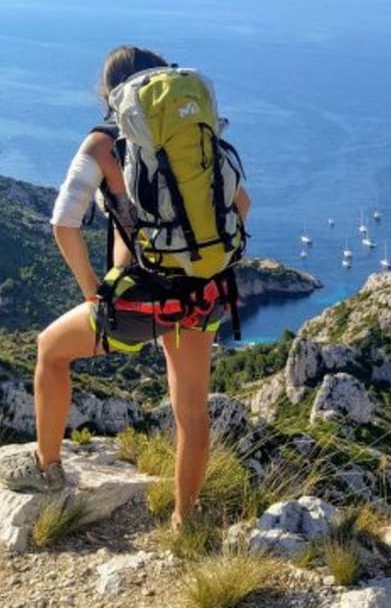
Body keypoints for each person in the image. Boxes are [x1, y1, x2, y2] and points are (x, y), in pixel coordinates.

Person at [0, 46, 250, 531]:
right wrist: (200, 258)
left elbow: (63, 224)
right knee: (192, 412)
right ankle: (185, 521)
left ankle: (48, 470)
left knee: (50, 350)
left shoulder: (102, 143)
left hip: (137, 301)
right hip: (201, 295)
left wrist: (93, 289)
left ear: (110, 92)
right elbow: (242, 201)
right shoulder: (195, 137)